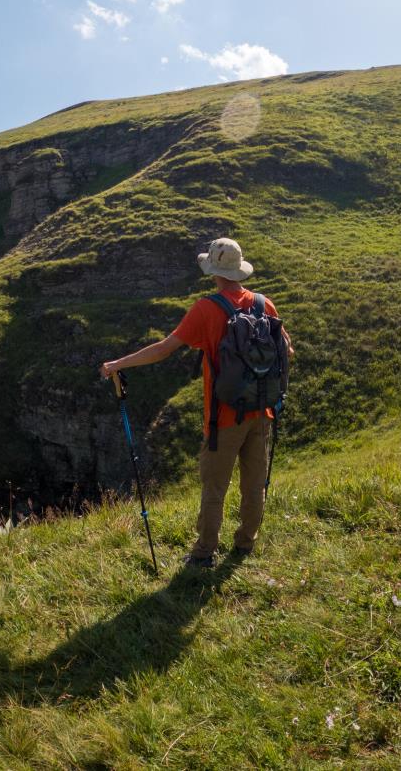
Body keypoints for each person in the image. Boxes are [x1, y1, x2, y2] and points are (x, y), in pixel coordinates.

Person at [100, 237, 293, 567]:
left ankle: (204, 553)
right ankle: (246, 543)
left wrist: (118, 365)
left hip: (223, 418)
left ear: (213, 271)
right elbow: (286, 351)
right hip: (262, 411)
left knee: (214, 487)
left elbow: (164, 348)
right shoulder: (264, 304)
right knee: (253, 483)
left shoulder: (208, 309)